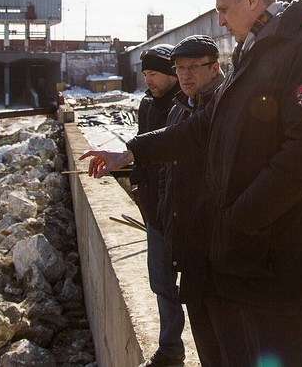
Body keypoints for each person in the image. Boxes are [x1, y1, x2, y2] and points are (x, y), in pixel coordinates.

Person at [81, 0, 302, 367]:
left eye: (223, 9)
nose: (219, 21)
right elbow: (204, 125)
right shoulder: (254, 51)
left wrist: (238, 219)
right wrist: (131, 152)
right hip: (243, 256)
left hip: (273, 260)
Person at [129, 45, 185, 367]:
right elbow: (140, 149)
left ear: (171, 74)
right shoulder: (147, 105)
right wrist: (137, 186)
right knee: (161, 282)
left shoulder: (184, 106)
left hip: (181, 207)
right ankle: (171, 348)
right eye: (146, 74)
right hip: (153, 207)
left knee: (195, 284)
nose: (148, 80)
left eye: (154, 74)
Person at [157, 35, 224, 282]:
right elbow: (167, 167)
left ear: (215, 68)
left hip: (215, 239)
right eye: (180, 68)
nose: (185, 75)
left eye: (194, 67)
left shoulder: (225, 106)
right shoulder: (178, 109)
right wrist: (166, 211)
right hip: (185, 237)